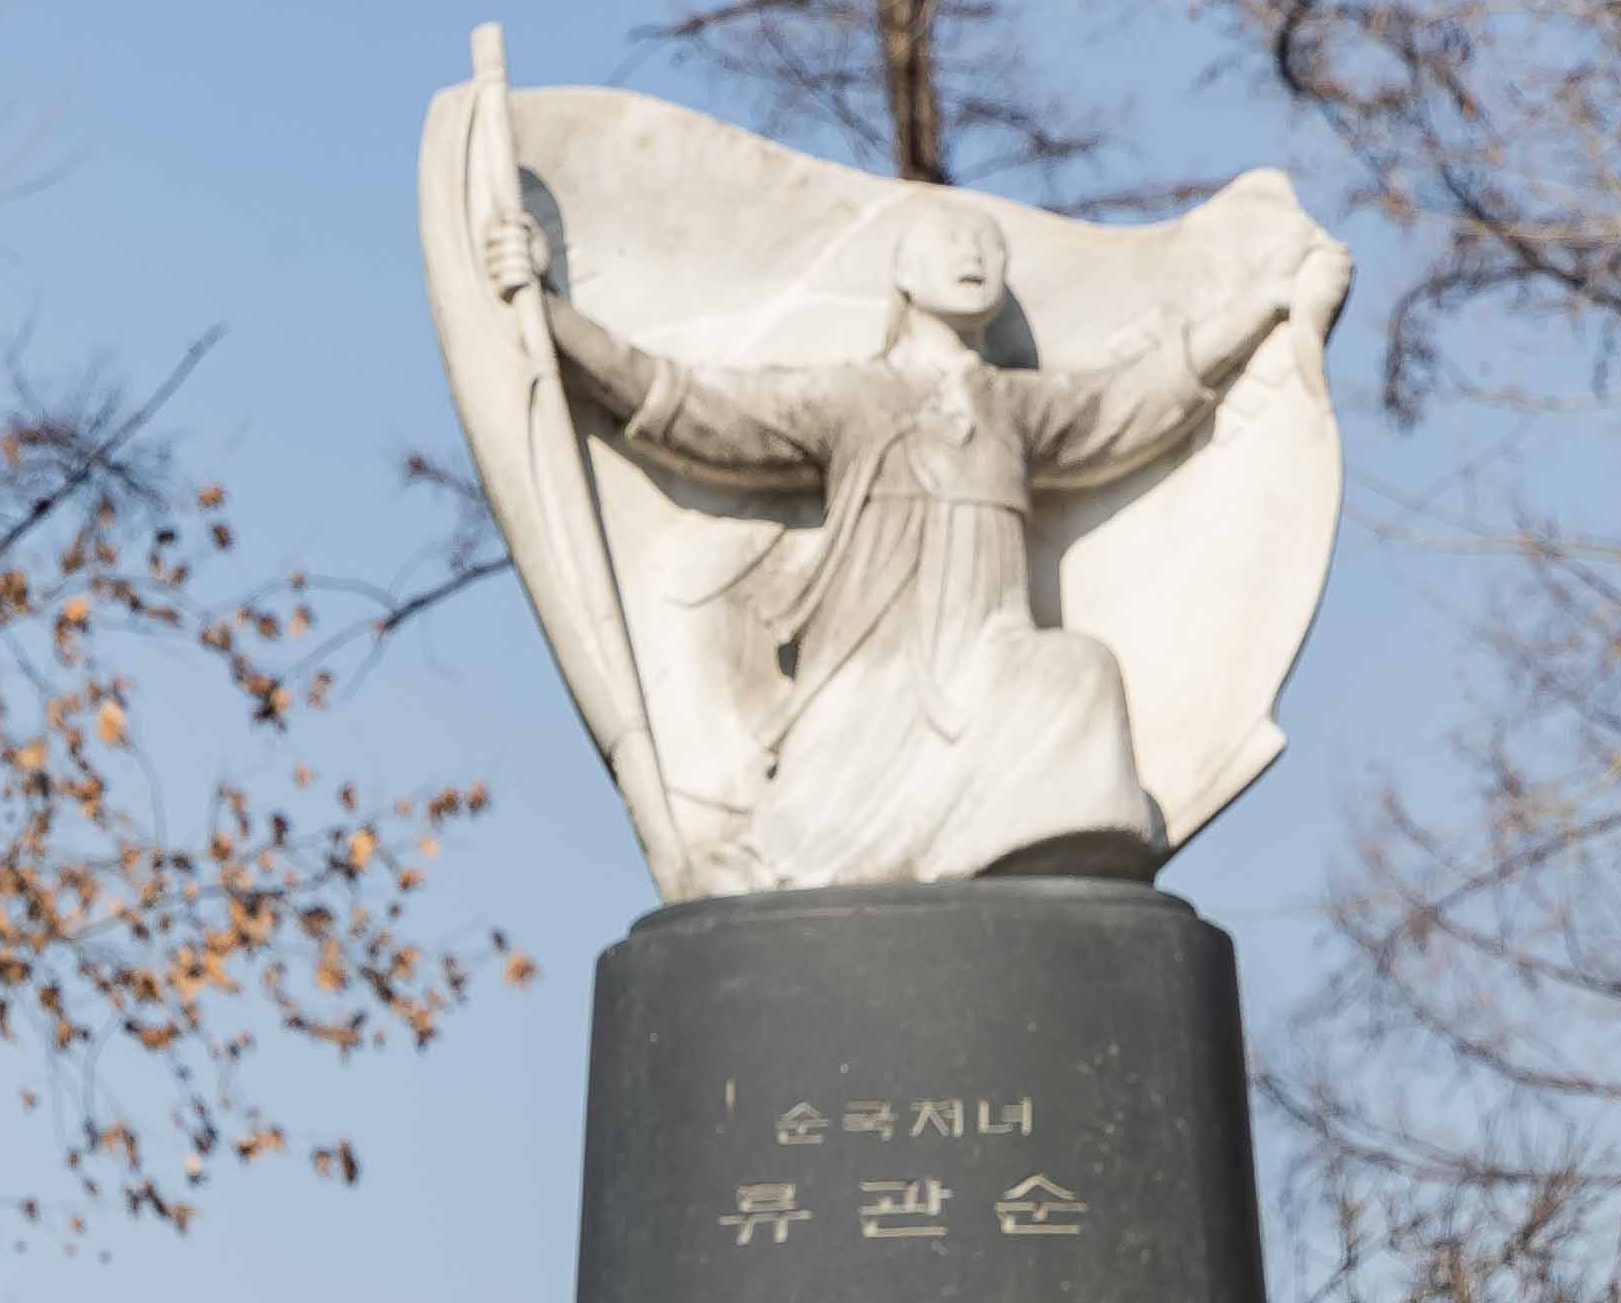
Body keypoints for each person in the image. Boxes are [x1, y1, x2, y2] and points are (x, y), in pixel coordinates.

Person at [483, 190, 1345, 884]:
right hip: (870, 668)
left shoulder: (1017, 408)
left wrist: (1267, 305)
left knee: (1080, 671)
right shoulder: (852, 398)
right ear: (899, 270)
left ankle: (1033, 855)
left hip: (988, 656)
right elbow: (696, 407)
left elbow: (1137, 399)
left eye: (990, 247)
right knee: (797, 846)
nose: (975, 256)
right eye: (951, 242)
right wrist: (548, 314)